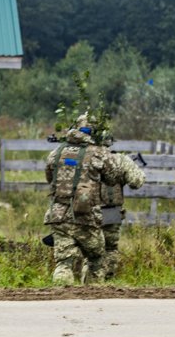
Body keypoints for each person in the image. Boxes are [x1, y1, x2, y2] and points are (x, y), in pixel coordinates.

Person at [43, 113, 121, 284]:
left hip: (58, 216)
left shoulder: (56, 152)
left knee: (63, 262)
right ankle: (91, 296)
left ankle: (59, 295)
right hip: (86, 217)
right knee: (97, 258)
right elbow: (112, 178)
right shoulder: (99, 153)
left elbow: (50, 179)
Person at [98, 144, 146, 281]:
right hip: (110, 210)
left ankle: (88, 281)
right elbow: (136, 181)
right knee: (110, 248)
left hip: (84, 210)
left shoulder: (83, 157)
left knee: (88, 249)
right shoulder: (119, 160)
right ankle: (106, 282)